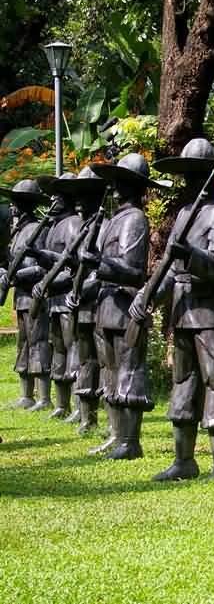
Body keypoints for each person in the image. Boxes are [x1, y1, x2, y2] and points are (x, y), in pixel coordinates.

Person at [140, 137, 214, 480]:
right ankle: (183, 460)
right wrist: (148, 297)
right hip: (184, 310)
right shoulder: (186, 213)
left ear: (211, 175)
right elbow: (172, 269)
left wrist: (190, 255)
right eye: (186, 174)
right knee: (183, 382)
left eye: (196, 174)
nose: (189, 181)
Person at [89, 154, 167, 460]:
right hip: (105, 304)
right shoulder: (113, 219)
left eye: (124, 182)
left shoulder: (135, 218)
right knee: (109, 371)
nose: (116, 187)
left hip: (125, 306)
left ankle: (130, 441)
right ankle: (116, 434)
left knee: (129, 371)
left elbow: (133, 270)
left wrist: (100, 263)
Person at [57, 167, 109, 436]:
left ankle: (113, 423)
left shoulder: (104, 228)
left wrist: (84, 290)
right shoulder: (82, 229)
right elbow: (72, 269)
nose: (78, 201)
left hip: (99, 303)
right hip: (80, 306)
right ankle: (86, 416)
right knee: (84, 360)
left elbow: (103, 270)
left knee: (104, 363)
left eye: (85, 195)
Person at [31, 173, 82, 420]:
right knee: (58, 349)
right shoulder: (54, 226)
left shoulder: (72, 223)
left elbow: (74, 264)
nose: (52, 200)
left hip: (66, 296)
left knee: (73, 349)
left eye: (57, 196)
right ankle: (62, 404)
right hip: (53, 297)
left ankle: (79, 405)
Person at [0, 179, 53, 410]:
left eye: (16, 203)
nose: (12, 208)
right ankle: (26, 395)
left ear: (23, 205)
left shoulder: (36, 230)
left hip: (35, 295)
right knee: (24, 343)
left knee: (38, 342)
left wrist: (17, 276)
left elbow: (42, 266)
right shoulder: (18, 232)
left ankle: (43, 398)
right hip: (21, 296)